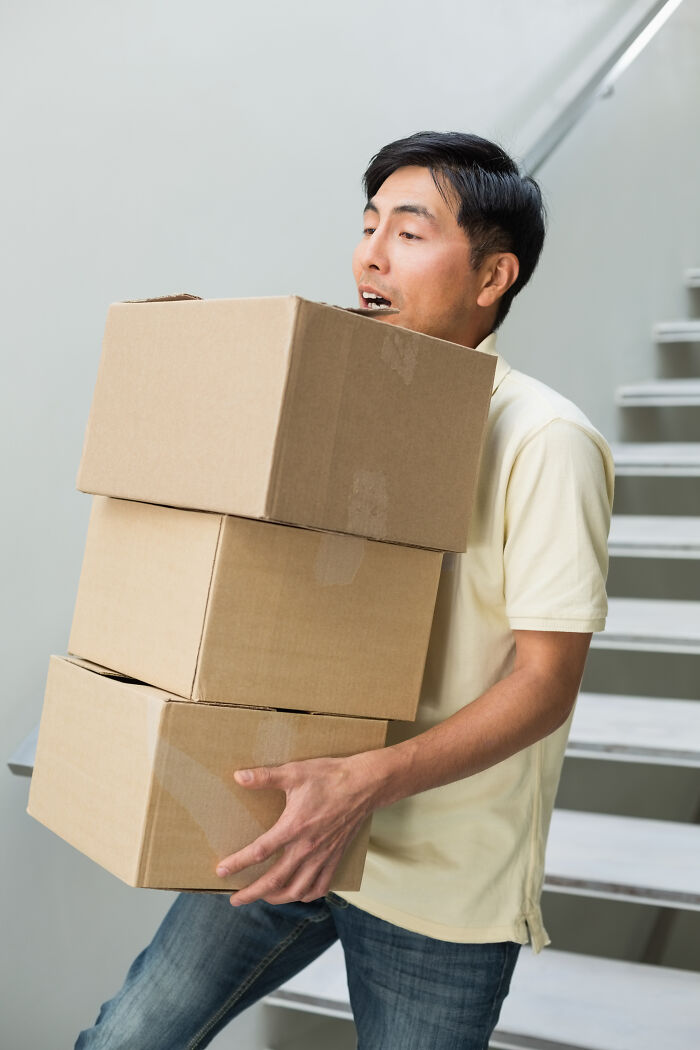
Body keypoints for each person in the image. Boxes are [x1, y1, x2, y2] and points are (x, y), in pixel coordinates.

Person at [76, 131, 614, 1050]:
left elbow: (545, 686)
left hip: (440, 881)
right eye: (367, 227)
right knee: (123, 1039)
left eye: (409, 232)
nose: (369, 254)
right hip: (290, 821)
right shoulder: (340, 400)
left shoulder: (545, 439)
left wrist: (362, 787)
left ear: (493, 278)